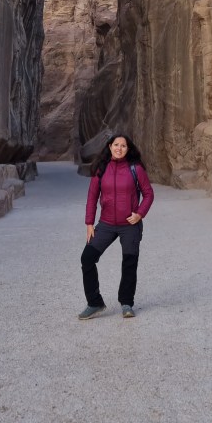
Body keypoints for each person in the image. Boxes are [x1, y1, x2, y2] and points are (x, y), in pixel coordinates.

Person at [78, 133, 154, 320]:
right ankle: (94, 302)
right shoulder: (101, 169)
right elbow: (92, 197)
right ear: (110, 146)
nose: (119, 148)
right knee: (87, 258)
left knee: (129, 262)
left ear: (128, 149)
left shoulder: (136, 168)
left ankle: (126, 303)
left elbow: (148, 193)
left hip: (130, 224)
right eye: (116, 145)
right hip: (106, 224)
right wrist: (89, 223)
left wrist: (139, 214)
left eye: (124, 146)